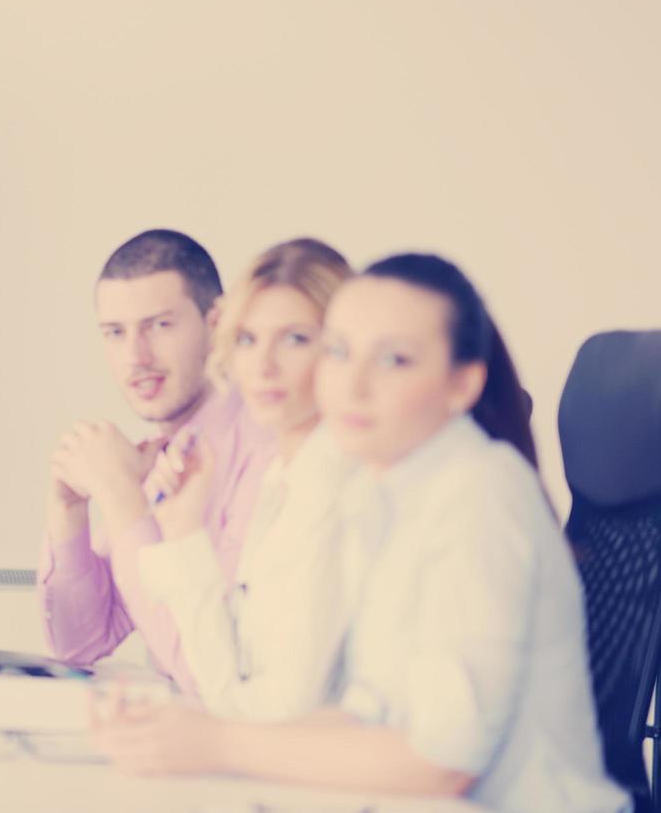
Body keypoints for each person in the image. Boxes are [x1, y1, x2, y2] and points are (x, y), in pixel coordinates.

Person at [92, 253, 627, 813]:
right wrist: (189, 731)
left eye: (394, 359)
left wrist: (218, 743)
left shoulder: (479, 494)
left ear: (463, 384)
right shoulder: (384, 494)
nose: (354, 384)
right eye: (339, 352)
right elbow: (367, 715)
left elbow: (442, 761)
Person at [39, 230, 275, 689]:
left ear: (217, 323)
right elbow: (79, 643)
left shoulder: (268, 449)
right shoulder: (159, 455)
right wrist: (69, 509)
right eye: (115, 333)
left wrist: (119, 494)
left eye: (159, 326)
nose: (135, 357)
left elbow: (208, 673)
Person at [135, 238, 356, 721]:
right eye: (247, 340)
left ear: (341, 349)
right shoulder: (284, 477)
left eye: (295, 339)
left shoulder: (336, 489)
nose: (263, 366)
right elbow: (231, 681)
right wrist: (183, 532)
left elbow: (272, 715)